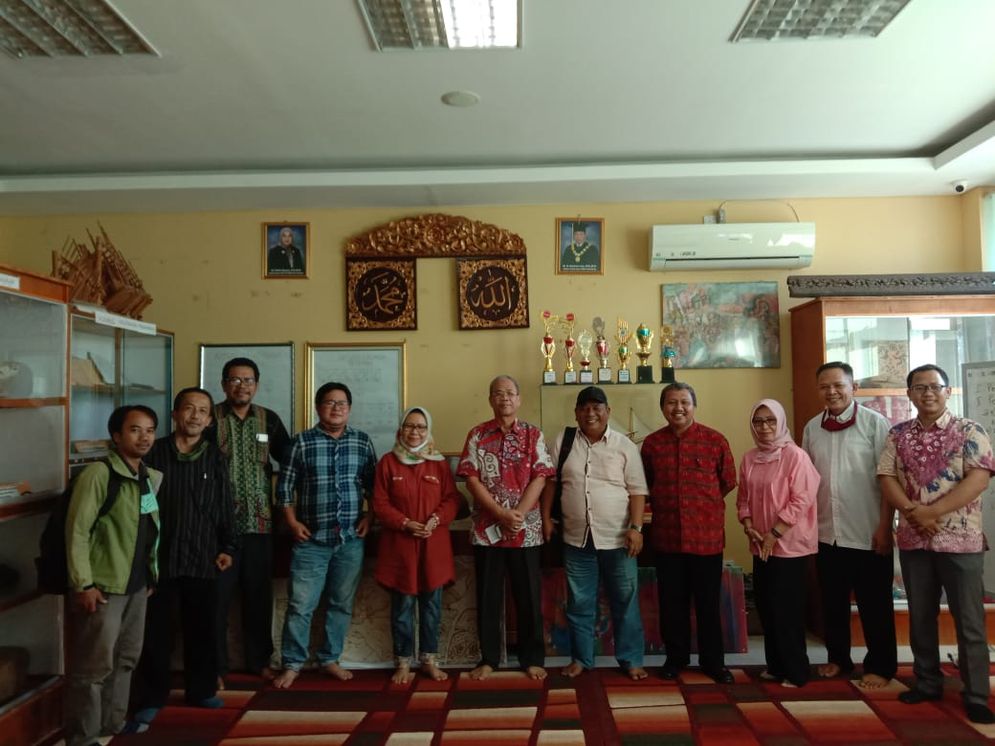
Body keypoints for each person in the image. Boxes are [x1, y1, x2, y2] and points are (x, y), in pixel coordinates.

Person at [878, 364, 995, 724]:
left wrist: (934, 512)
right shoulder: (897, 435)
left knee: (970, 622)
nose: (927, 393)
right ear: (910, 394)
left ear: (948, 391)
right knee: (921, 617)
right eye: (919, 388)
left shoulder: (970, 431)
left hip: (960, 541)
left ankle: (976, 693)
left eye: (935, 387)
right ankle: (927, 682)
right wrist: (914, 511)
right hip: (914, 540)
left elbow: (978, 479)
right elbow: (886, 477)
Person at [130, 388, 237, 728]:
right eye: (188, 409)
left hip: (202, 555)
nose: (195, 415)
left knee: (202, 628)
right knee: (156, 633)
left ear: (209, 420)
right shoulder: (154, 452)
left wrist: (228, 547)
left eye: (202, 411)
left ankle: (201, 689)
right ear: (175, 414)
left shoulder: (214, 456)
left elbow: (224, 504)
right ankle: (152, 696)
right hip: (158, 558)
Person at [63, 405, 161, 746]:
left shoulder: (149, 476)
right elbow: (77, 532)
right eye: (135, 430)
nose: (144, 436)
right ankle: (83, 735)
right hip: (103, 587)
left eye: (149, 430)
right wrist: (83, 584)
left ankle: (112, 723)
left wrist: (150, 575)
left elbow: (149, 529)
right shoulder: (98, 475)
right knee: (93, 667)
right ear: (117, 435)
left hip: (136, 586)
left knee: (126, 659)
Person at [272, 382, 377, 688]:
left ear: (350, 408)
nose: (336, 408)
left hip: (350, 540)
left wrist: (370, 518)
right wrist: (292, 523)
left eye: (342, 403)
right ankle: (292, 664)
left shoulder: (362, 442)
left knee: (340, 604)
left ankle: (329, 659)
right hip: (311, 542)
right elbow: (284, 488)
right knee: (300, 606)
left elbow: (374, 488)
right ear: (318, 407)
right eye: (330, 403)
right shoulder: (301, 442)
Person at [541, 386, 649, 680]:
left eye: (596, 407)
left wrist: (636, 528)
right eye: (584, 408)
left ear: (607, 412)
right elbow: (550, 483)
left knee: (625, 602)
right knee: (579, 603)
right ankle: (581, 659)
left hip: (618, 539)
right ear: (576, 413)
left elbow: (638, 490)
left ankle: (631, 659)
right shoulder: (563, 441)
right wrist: (545, 517)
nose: (591, 413)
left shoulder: (624, 446)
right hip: (576, 539)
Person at [801, 362, 897, 688]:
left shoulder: (875, 424)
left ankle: (881, 665)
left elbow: (889, 479)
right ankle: (838, 659)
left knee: (876, 605)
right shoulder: (812, 428)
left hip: (869, 532)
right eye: (824, 386)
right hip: (828, 534)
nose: (832, 392)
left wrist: (886, 526)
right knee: (832, 604)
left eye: (838, 385)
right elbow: (808, 481)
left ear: (853, 387)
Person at [457, 375, 554, 680]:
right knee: (488, 598)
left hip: (526, 532)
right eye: (498, 394)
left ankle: (532, 658)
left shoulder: (532, 435)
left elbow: (541, 476)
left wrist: (519, 515)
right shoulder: (477, 435)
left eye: (510, 393)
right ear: (490, 399)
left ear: (519, 399)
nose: (505, 399)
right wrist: (500, 513)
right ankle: (489, 658)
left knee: (528, 596)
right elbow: (471, 478)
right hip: (488, 530)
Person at [640, 382, 737, 683]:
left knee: (708, 604)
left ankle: (713, 662)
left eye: (684, 402)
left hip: (706, 539)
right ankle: (676, 658)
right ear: (662, 408)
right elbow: (647, 485)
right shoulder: (652, 444)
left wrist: (702, 506)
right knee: (672, 604)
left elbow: (728, 481)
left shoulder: (714, 441)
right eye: (671, 402)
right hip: (667, 538)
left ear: (694, 406)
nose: (678, 408)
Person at [213, 357, 291, 684]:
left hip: (260, 525)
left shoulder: (268, 419)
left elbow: (288, 460)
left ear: (256, 385)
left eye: (247, 380)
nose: (241, 386)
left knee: (259, 597)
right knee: (216, 600)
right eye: (234, 379)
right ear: (223, 384)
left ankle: (259, 661)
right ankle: (214, 668)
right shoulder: (210, 417)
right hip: (218, 527)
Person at [372, 407, 463, 684]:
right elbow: (379, 503)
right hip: (400, 546)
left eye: (421, 427)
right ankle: (402, 662)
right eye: (410, 426)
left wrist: (437, 519)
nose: (415, 432)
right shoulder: (387, 463)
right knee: (402, 607)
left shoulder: (438, 464)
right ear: (401, 430)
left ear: (428, 430)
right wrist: (404, 523)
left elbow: (452, 499)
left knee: (431, 606)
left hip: (433, 545)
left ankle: (429, 660)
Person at [737, 399, 820, 688]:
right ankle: (775, 665)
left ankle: (796, 671)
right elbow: (744, 498)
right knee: (767, 607)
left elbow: (802, 499)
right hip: (761, 545)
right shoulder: (749, 458)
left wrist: (774, 532)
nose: (764, 427)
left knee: (788, 611)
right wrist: (748, 526)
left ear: (781, 422)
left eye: (771, 420)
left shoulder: (795, 456)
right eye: (758, 421)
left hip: (790, 546)